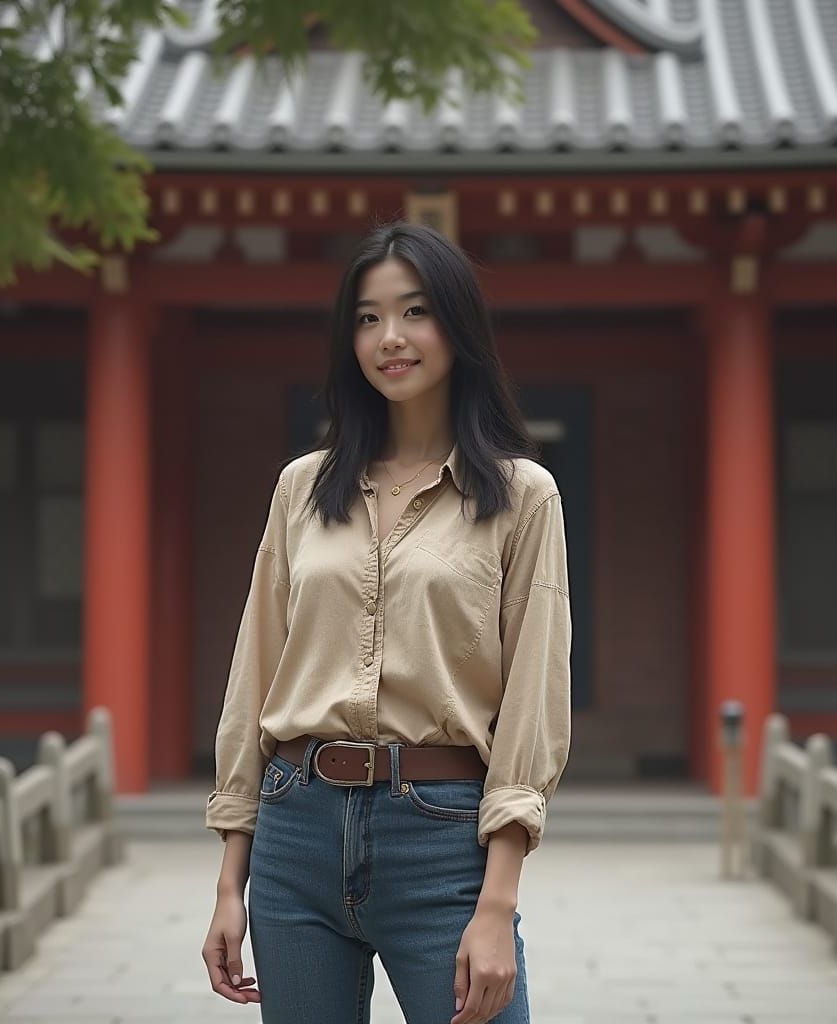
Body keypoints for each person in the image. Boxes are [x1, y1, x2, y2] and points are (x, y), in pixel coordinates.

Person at [200, 221, 572, 1024]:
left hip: (441, 840)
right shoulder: (303, 489)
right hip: (295, 832)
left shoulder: (522, 495)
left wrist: (496, 906)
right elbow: (254, 674)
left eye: (413, 312)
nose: (389, 338)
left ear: (457, 327)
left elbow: (534, 699)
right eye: (367, 318)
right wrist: (233, 881)